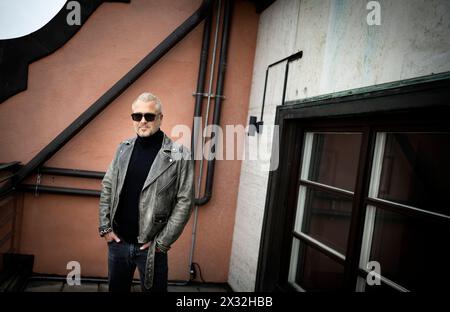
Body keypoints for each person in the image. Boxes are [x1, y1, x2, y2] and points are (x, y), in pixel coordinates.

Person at [98, 92, 194, 292]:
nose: (143, 121)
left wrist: (162, 243)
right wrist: (105, 229)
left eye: (149, 116)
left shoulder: (179, 155)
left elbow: (185, 202)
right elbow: (107, 186)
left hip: (152, 248)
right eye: (137, 116)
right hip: (119, 243)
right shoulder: (123, 149)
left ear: (160, 118)